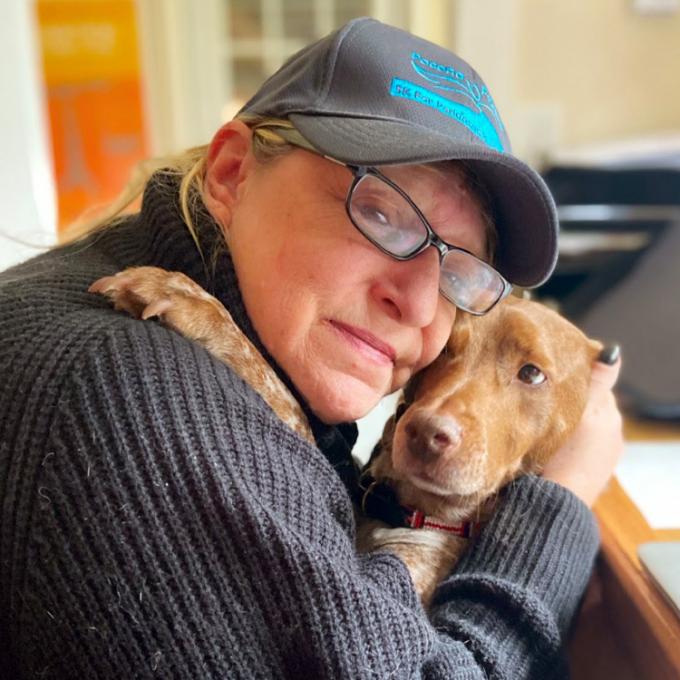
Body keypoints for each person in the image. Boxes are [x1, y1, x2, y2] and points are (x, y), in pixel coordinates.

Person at [0, 17, 623, 679]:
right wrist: (557, 509)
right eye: (381, 213)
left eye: (456, 270)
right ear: (233, 173)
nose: (415, 302)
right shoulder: (134, 403)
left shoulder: (153, 300)